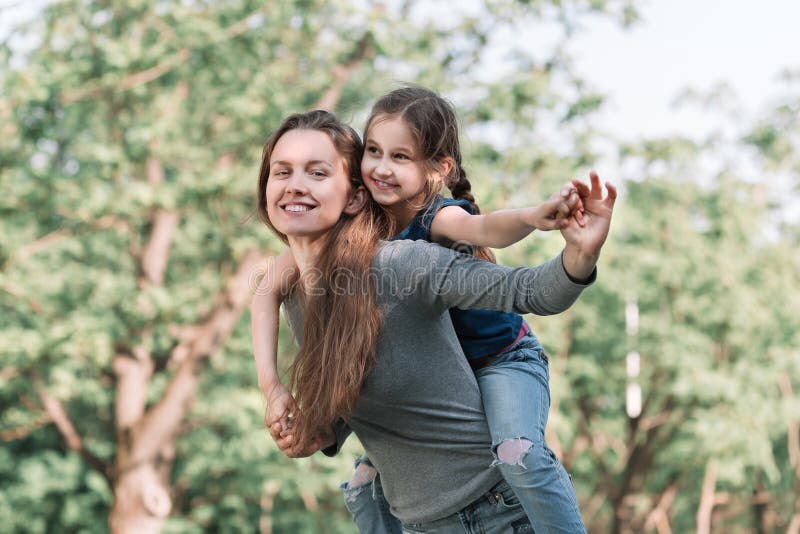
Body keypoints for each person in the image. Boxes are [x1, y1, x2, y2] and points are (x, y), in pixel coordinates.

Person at [255, 109, 616, 532]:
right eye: (282, 172)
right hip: (420, 524)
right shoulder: (296, 296)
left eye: (316, 173)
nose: (295, 184)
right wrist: (307, 427)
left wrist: (581, 254)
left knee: (521, 449)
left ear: (354, 196)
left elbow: (530, 291)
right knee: (360, 486)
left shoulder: (402, 264)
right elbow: (370, 391)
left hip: (499, 513)